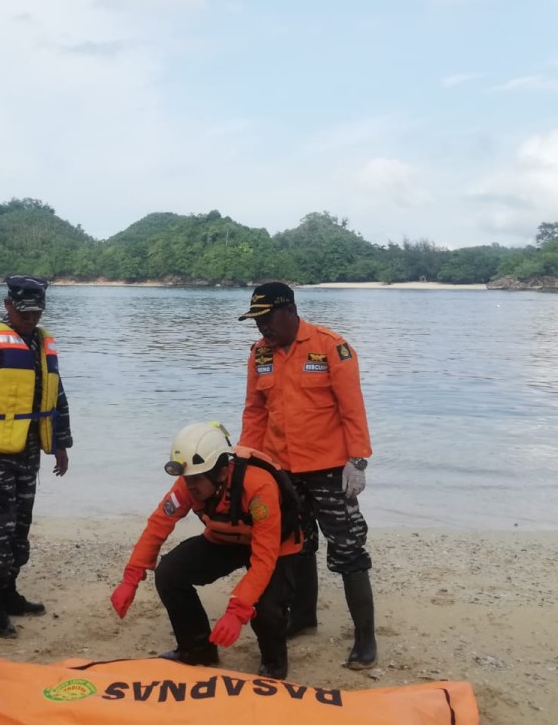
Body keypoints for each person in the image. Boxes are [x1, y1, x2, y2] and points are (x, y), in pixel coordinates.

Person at [238, 281, 377, 669]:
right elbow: (255, 412)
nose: (261, 327)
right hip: (282, 471)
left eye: (266, 318)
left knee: (348, 549)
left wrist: (357, 460)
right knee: (296, 546)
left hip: (331, 470)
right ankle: (302, 618)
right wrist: (247, 461)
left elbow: (352, 408)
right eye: (256, 321)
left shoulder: (331, 347)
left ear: (289, 311)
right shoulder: (259, 354)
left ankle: (365, 638)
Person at [109, 422, 303, 679]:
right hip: (225, 540)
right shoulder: (190, 483)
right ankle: (197, 649)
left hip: (275, 547)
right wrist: (131, 577)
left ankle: (273, 664)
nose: (190, 486)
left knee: (266, 608)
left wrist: (237, 611)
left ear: (221, 473)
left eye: (196, 480)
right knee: (169, 573)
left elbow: (264, 560)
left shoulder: (258, 487)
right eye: (186, 479)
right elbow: (158, 525)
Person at [0, 275, 72, 639]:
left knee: (20, 528)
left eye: (36, 313)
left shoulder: (42, 343)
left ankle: (8, 594)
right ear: (8, 305)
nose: (30, 319)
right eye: (24, 313)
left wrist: (61, 444)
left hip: (29, 452)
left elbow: (57, 396)